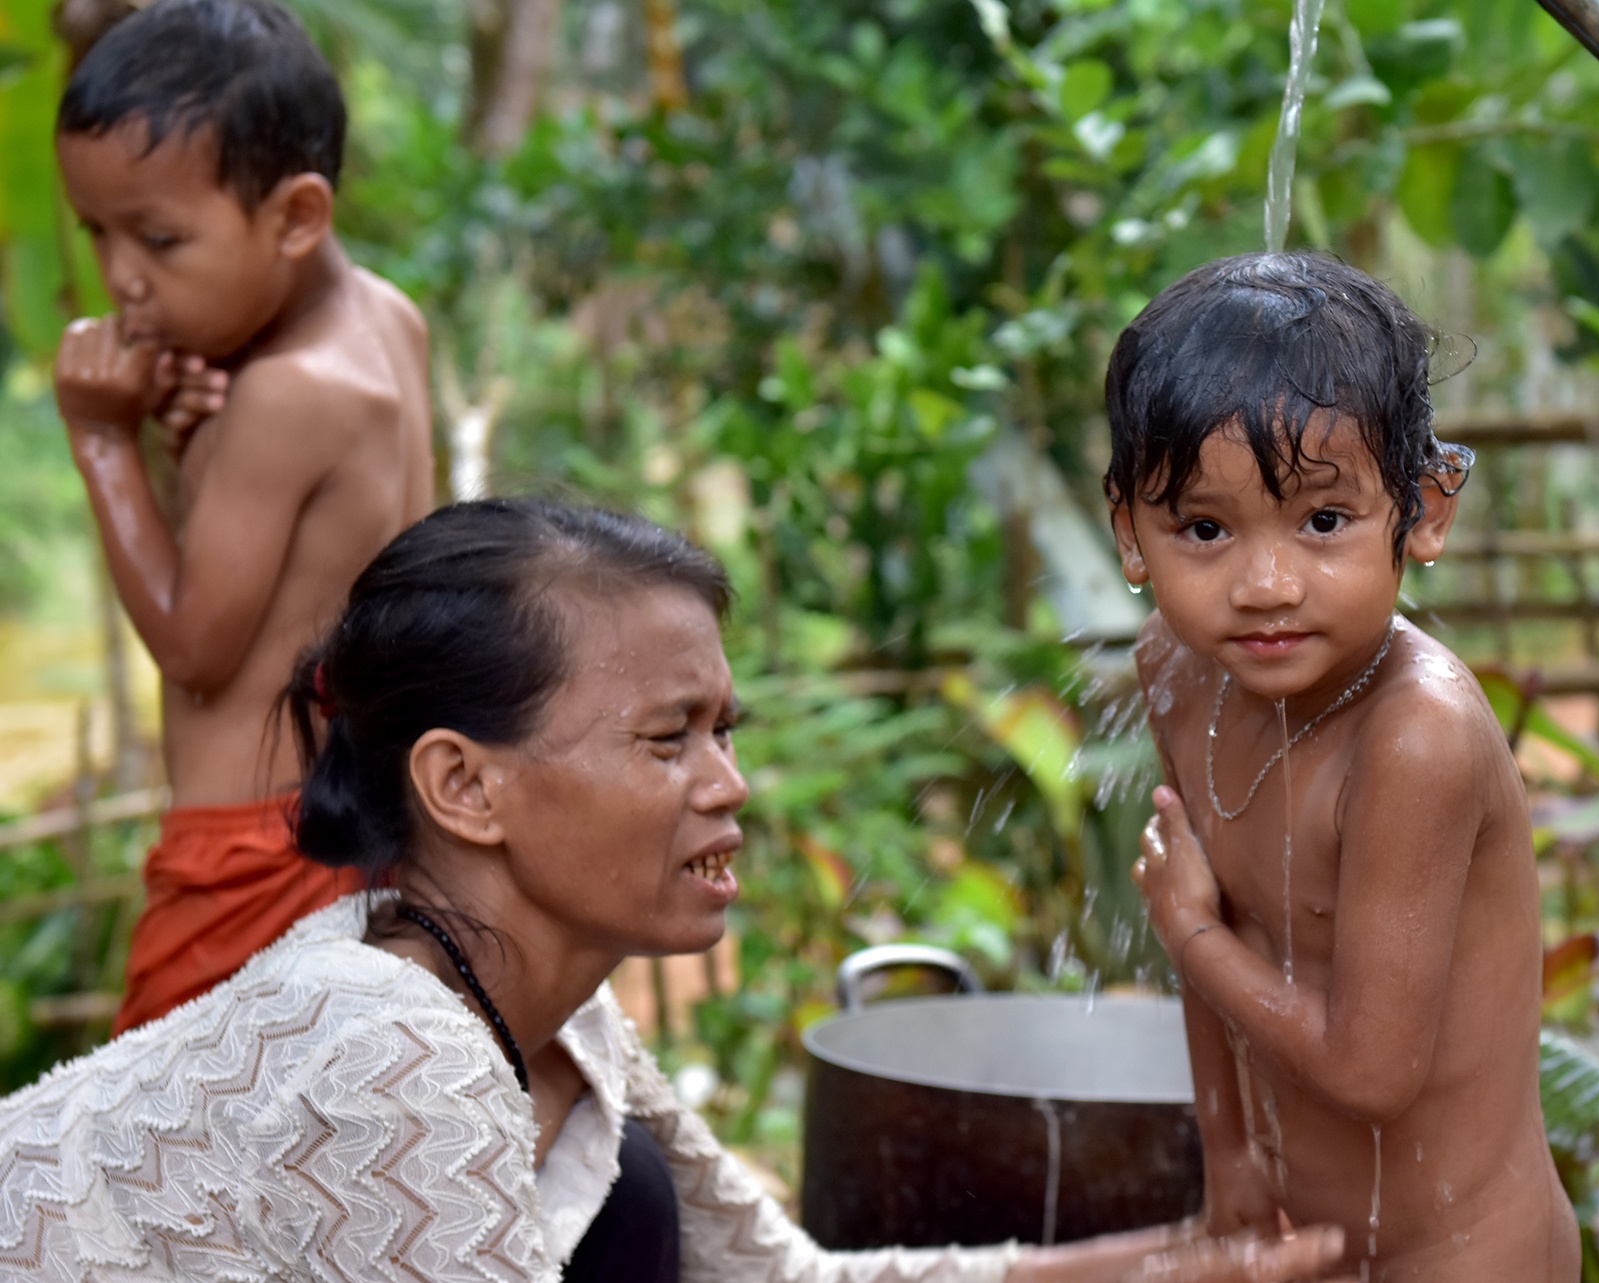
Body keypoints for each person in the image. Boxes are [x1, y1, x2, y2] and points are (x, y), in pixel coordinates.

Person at [0, 499, 1347, 1283]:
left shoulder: (543, 1010)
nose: (730, 783)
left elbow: (778, 1280)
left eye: (726, 727)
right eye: (667, 739)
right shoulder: (383, 1040)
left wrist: (1178, 1260)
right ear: (465, 784)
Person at [1107, 253, 1578, 1282]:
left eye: (1324, 521)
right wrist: (1229, 1152)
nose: (1266, 583)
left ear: (1426, 509)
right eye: (1203, 528)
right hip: (1306, 1238)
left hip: (1465, 1254)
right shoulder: (1179, 672)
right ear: (1129, 534)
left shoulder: (1417, 736)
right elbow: (1222, 919)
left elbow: (1372, 1068)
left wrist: (1183, 926)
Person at [50, 0, 434, 1034]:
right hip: (350, 822)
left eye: (160, 238)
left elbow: (196, 647)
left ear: (297, 216)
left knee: (162, 1150)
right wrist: (188, 451)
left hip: (247, 856)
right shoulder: (388, 322)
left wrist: (102, 442)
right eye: (99, 232)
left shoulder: (285, 391)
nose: (120, 277)